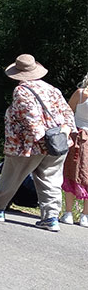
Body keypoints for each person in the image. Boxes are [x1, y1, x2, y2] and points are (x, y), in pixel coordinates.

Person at [0, 54, 77, 231]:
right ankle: (51, 218)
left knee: (12, 176)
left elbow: (30, 119)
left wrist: (40, 139)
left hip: (28, 145)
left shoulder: (22, 91)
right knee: (51, 179)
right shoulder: (52, 89)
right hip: (57, 143)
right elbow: (68, 115)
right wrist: (61, 135)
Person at [61, 72, 88, 226]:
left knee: (71, 173)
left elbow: (67, 113)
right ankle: (85, 216)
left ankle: (68, 213)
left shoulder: (80, 94)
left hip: (76, 138)